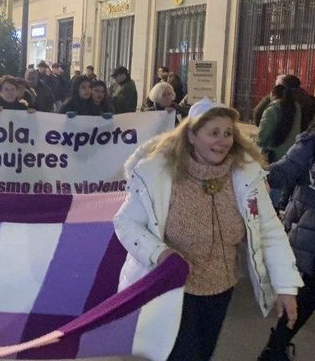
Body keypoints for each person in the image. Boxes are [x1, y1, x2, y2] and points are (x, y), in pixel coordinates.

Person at [114, 98, 302, 361]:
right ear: (191, 135)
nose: (223, 141)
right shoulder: (158, 173)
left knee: (202, 353)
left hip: (221, 288)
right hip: (173, 288)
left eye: (227, 133)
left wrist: (286, 287)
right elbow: (125, 223)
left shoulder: (246, 176)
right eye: (213, 133)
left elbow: (270, 231)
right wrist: (160, 254)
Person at [259, 89, 315, 360]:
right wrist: (252, 174)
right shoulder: (314, 144)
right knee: (306, 303)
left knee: (303, 303)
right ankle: (274, 351)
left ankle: (274, 351)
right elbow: (283, 171)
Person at [257, 85, 301, 164]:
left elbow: (263, 134)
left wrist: (258, 143)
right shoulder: (296, 108)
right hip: (293, 154)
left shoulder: (271, 110)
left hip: (274, 156)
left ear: (273, 94)